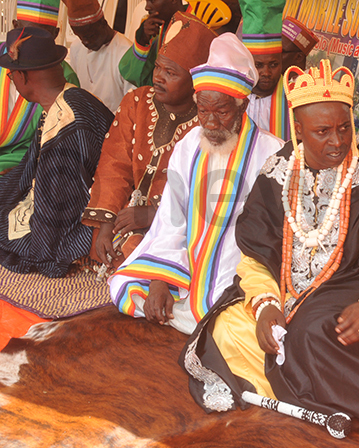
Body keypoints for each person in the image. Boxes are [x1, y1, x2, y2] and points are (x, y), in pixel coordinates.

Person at [179, 59, 359, 420]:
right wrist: (266, 304)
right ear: (298, 130)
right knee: (229, 326)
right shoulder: (279, 171)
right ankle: (298, 387)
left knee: (314, 335)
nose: (338, 141)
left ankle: (298, 386)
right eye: (323, 131)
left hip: (351, 289)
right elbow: (255, 257)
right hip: (285, 291)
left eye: (345, 128)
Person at [109, 33, 284, 334]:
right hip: (186, 264)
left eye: (222, 111)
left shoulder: (273, 153)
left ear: (242, 107)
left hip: (240, 265)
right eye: (203, 111)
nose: (211, 123)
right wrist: (161, 279)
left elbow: (270, 237)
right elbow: (171, 219)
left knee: (233, 320)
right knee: (124, 288)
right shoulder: (189, 145)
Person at [82, 11, 216, 273]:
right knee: (97, 242)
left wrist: (153, 216)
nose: (158, 77)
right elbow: (114, 165)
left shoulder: (207, 123)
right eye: (157, 67)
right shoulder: (137, 101)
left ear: (195, 82)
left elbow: (203, 192)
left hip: (175, 224)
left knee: (144, 259)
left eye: (170, 72)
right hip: (124, 215)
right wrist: (107, 223)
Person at [0, 27, 113, 277]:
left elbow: (59, 209)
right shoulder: (68, 98)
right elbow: (32, 174)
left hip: (84, 215)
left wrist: (42, 247)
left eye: (11, 76)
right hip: (70, 203)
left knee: (15, 237)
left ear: (24, 76)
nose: (12, 81)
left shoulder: (68, 121)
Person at [0, 0, 80, 174]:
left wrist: (22, 172)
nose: (31, 47)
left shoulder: (64, 78)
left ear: (55, 35)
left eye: (41, 38)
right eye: (26, 35)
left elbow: (58, 144)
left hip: (23, 162)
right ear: (15, 26)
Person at [66, 0, 135, 113]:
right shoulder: (76, 48)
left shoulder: (126, 52)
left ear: (103, 23)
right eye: (81, 37)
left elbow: (132, 106)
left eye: (90, 36)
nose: (86, 42)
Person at [241, 0, 290, 141]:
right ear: (247, 63)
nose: (266, 73)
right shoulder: (233, 100)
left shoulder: (294, 99)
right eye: (258, 65)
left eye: (274, 64)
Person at [118, 0, 188, 88]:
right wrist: (143, 40)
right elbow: (136, 77)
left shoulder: (199, 23)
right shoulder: (154, 27)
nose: (147, 7)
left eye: (152, 1)